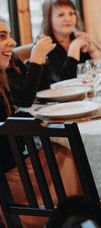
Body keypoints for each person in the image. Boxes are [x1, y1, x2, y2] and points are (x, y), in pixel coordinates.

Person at [0, 19, 81, 228]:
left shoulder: (3, 75)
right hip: (7, 183)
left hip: (14, 166)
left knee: (63, 151)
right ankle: (77, 217)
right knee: (69, 156)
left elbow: (32, 96)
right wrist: (35, 60)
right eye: (2, 36)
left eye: (9, 35)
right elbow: (23, 102)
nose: (12, 41)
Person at [39, 0, 101, 87]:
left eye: (71, 13)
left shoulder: (79, 39)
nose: (68, 19)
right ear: (48, 19)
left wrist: (93, 50)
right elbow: (65, 81)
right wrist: (74, 48)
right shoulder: (44, 46)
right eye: (61, 15)